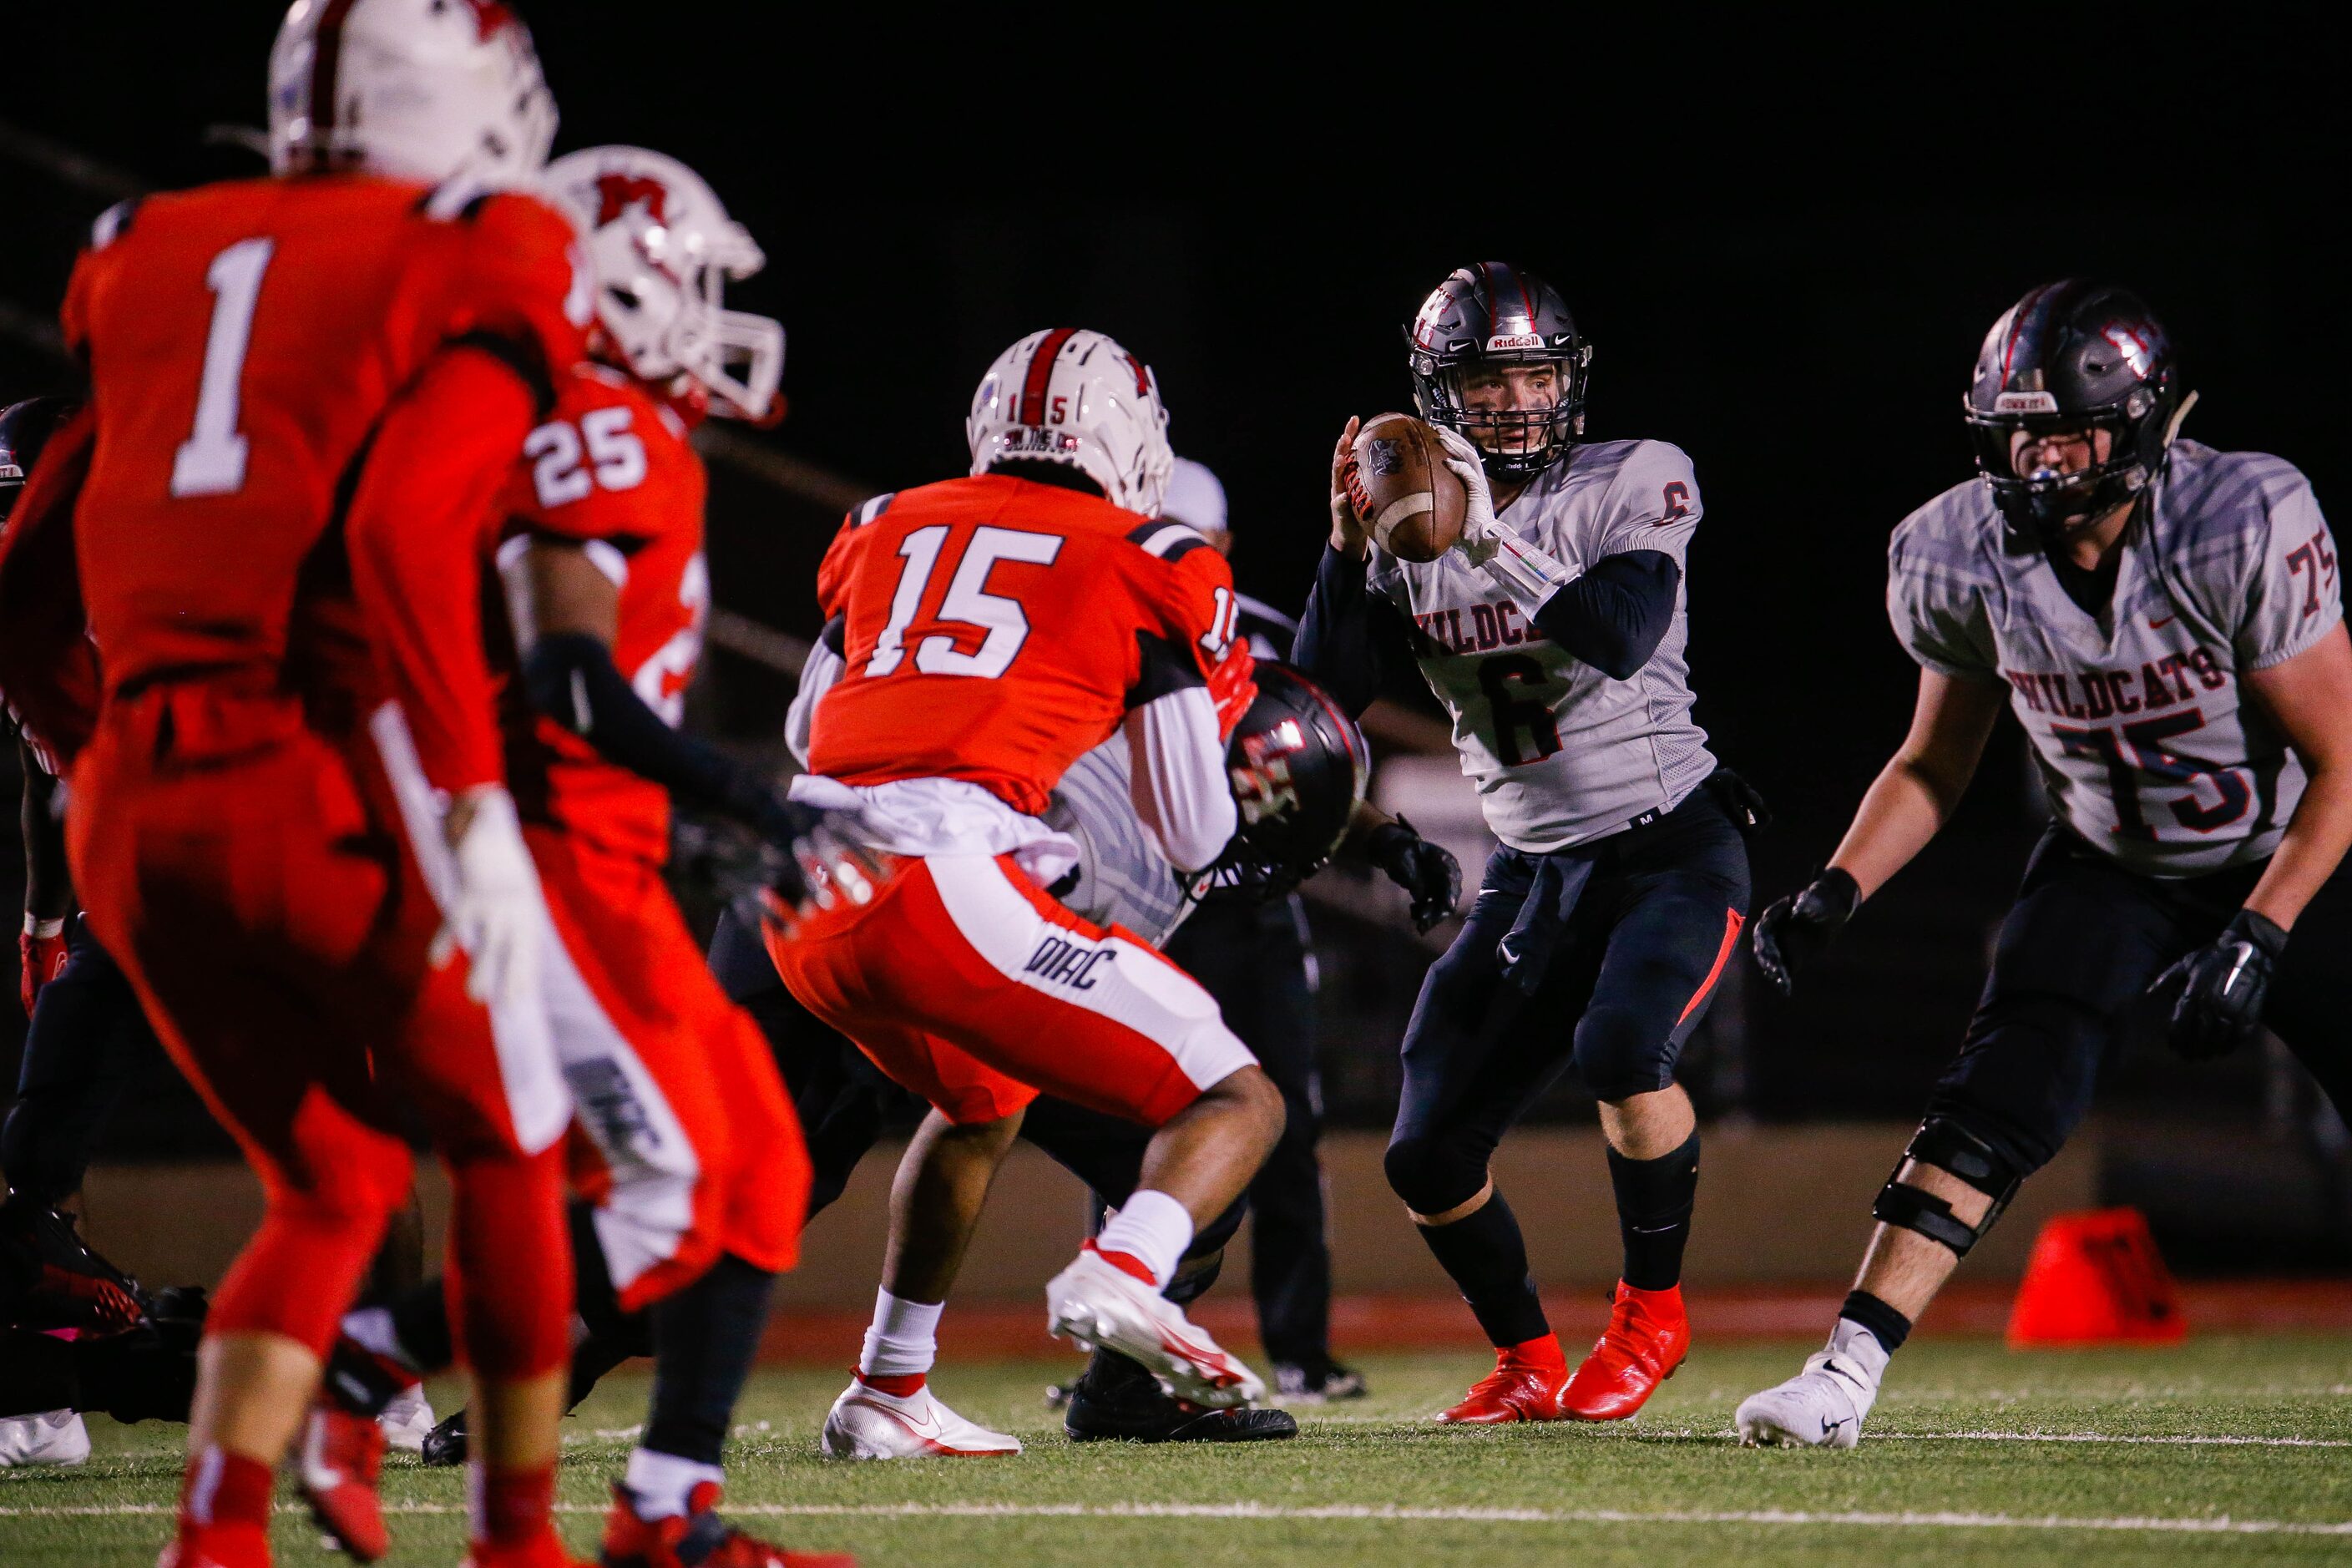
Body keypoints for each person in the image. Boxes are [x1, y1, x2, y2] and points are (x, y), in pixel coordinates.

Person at [0, 5, 592, 1562]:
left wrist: (88, 754)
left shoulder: (146, 243)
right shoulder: (482, 246)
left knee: (327, 1182)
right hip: (321, 769)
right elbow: (400, 543)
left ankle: (220, 1533)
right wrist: (464, 800)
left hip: (135, 797)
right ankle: (516, 1539)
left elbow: (23, 579)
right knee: (513, 1144)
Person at [299, 144, 851, 1568]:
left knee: (762, 1173)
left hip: (611, 857)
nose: (712, 307)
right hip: (552, 872)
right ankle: (367, 1359)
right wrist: (746, 796)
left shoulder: (608, 423)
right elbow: (567, 681)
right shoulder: (597, 425)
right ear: (621, 282)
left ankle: (667, 1505)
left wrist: (689, 826)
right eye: (692, 275)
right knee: (666, 1193)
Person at [1736, 281, 2352, 1448]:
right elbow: (1932, 764)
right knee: (1989, 1100)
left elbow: (2344, 760)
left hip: (2289, 845)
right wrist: (1839, 883)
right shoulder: (1952, 550)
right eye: (2020, 430)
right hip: (2109, 858)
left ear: (2144, 425)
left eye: (2066, 429)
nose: (2040, 456)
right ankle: (1842, 1374)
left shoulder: (2238, 518)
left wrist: (2259, 933)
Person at [766, 326, 1287, 1419]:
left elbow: (809, 726)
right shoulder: (1156, 555)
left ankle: (887, 1387)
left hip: (802, 884)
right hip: (934, 880)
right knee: (1236, 1094)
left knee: (977, 1101)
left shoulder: (883, 522)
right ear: (1125, 436)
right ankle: (1125, 1270)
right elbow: (1192, 831)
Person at [1295, 263, 1763, 1425]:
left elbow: (1614, 633)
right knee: (1425, 1148)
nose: (1512, 401)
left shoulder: (1634, 476)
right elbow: (1321, 697)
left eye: (1533, 374)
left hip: (1668, 843)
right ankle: (1523, 1357)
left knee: (1621, 1050)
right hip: (1532, 865)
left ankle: (1652, 1313)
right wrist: (1348, 551)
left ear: (1570, 380)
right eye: (1487, 380)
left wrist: (1489, 539)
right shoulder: (1404, 511)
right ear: (1438, 391)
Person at [1153, 459, 1455, 1402]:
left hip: (1249, 913)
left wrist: (1390, 843)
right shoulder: (1093, 627)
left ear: (1223, 546)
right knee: (1132, 1120)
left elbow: (1319, 774)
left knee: (1284, 1123)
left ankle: (1299, 1348)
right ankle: (1134, 1341)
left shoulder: (1265, 637)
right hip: (1142, 908)